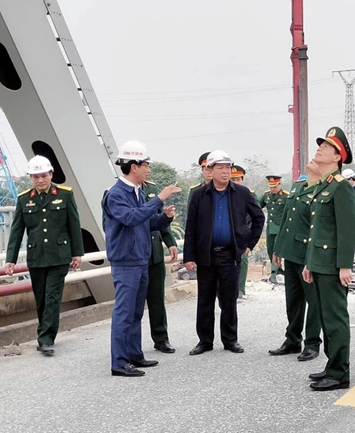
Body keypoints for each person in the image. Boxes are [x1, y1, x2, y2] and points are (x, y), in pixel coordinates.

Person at [103, 140, 180, 377]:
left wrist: (164, 217)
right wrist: (159, 199)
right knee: (124, 312)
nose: (148, 169)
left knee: (136, 311)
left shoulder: (137, 192)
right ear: (133, 166)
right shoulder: (116, 194)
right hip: (126, 261)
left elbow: (146, 223)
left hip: (140, 259)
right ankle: (119, 362)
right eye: (146, 165)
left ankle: (134, 354)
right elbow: (131, 218)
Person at [184, 150, 265, 356]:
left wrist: (249, 243)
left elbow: (258, 218)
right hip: (206, 255)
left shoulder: (242, 193)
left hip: (230, 255)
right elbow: (191, 226)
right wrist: (189, 256)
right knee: (205, 300)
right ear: (210, 170)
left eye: (228, 167)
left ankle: (230, 340)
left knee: (229, 300)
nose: (225, 172)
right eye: (220, 167)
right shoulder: (199, 195)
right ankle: (205, 341)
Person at [5, 155, 84, 357]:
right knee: (41, 298)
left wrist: (77, 253)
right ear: (31, 178)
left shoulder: (65, 194)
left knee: (52, 297)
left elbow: (74, 225)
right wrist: (10, 259)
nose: (40, 180)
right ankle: (44, 333)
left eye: (43, 175)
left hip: (59, 255)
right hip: (37, 256)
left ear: (51, 174)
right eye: (35, 177)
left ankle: (46, 339)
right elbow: (17, 230)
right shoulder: (24, 199)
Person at [302, 126, 355, 392]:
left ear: (337, 157)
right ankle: (331, 365)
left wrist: (345, 265)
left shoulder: (341, 187)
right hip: (320, 263)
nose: (320, 149)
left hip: (334, 265)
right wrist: (309, 263)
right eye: (320, 145)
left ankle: (339, 373)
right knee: (326, 318)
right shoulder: (325, 185)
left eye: (326, 147)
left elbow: (347, 229)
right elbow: (317, 229)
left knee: (335, 319)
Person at [269, 160, 322, 362]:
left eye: (317, 160)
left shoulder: (323, 189)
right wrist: (278, 248)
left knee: (313, 301)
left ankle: (312, 343)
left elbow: (320, 227)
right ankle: (292, 340)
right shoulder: (298, 186)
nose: (312, 161)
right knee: (293, 300)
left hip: (308, 254)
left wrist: (313, 258)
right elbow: (286, 219)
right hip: (291, 253)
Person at [142, 176, 179, 354]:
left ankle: (161, 338)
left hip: (155, 254)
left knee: (157, 300)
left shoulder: (152, 188)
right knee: (133, 304)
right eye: (144, 165)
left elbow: (158, 218)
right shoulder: (119, 192)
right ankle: (129, 344)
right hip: (135, 255)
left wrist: (170, 242)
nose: (148, 170)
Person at [230, 164, 257, 299]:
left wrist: (249, 237)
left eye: (238, 179)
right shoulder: (223, 193)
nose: (236, 182)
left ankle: (240, 289)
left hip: (243, 233)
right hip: (228, 234)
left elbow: (256, 217)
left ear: (242, 179)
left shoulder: (249, 194)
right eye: (233, 179)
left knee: (242, 260)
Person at [259, 175, 289, 284]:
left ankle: (273, 273)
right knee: (270, 249)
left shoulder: (286, 197)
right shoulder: (266, 195)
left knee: (276, 249)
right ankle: (278, 269)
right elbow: (257, 206)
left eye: (274, 186)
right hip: (270, 228)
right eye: (271, 187)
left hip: (280, 228)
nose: (272, 189)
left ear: (279, 184)